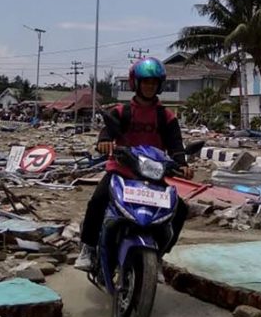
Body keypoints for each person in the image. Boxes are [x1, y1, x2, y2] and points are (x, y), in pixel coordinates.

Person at [75, 57, 194, 271]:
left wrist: (182, 164)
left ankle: (158, 255)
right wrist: (104, 141)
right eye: (145, 81)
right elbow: (108, 130)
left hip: (153, 176)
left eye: (153, 82)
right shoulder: (122, 112)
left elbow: (176, 145)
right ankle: (88, 248)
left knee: (180, 209)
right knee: (98, 200)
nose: (149, 86)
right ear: (136, 83)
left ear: (159, 85)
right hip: (122, 172)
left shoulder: (166, 117)